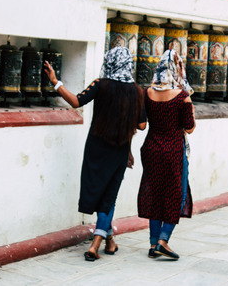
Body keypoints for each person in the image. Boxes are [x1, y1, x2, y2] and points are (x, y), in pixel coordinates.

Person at [44, 46, 146, 262]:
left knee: (99, 190)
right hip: (119, 149)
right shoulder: (137, 91)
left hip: (96, 148)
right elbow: (142, 124)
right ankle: (107, 240)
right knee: (109, 194)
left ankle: (97, 242)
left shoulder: (101, 85)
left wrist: (56, 82)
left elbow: (76, 101)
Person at [137, 49, 196, 260]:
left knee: (155, 194)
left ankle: (153, 244)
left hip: (151, 147)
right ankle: (163, 240)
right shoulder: (182, 97)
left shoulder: (147, 92)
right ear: (176, 69)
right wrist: (189, 104)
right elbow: (189, 128)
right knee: (175, 195)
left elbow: (142, 123)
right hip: (172, 150)